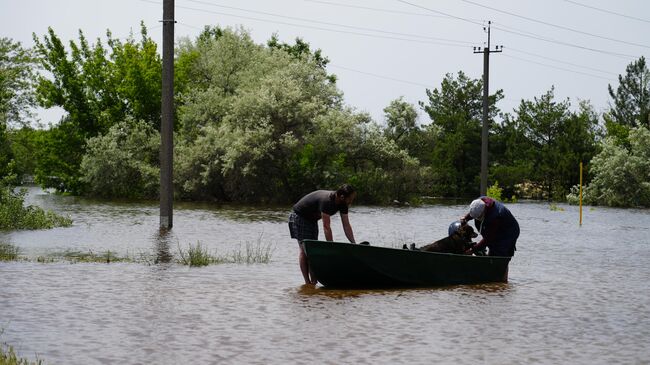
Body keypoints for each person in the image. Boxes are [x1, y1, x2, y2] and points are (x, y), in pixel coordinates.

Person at [288, 184, 358, 285]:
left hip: (311, 220)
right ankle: (308, 283)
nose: (351, 201)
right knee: (305, 250)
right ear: (342, 197)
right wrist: (331, 247)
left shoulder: (343, 204)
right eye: (351, 199)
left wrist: (354, 243)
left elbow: (346, 225)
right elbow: (326, 226)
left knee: (311, 251)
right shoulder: (327, 201)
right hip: (299, 217)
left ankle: (314, 282)